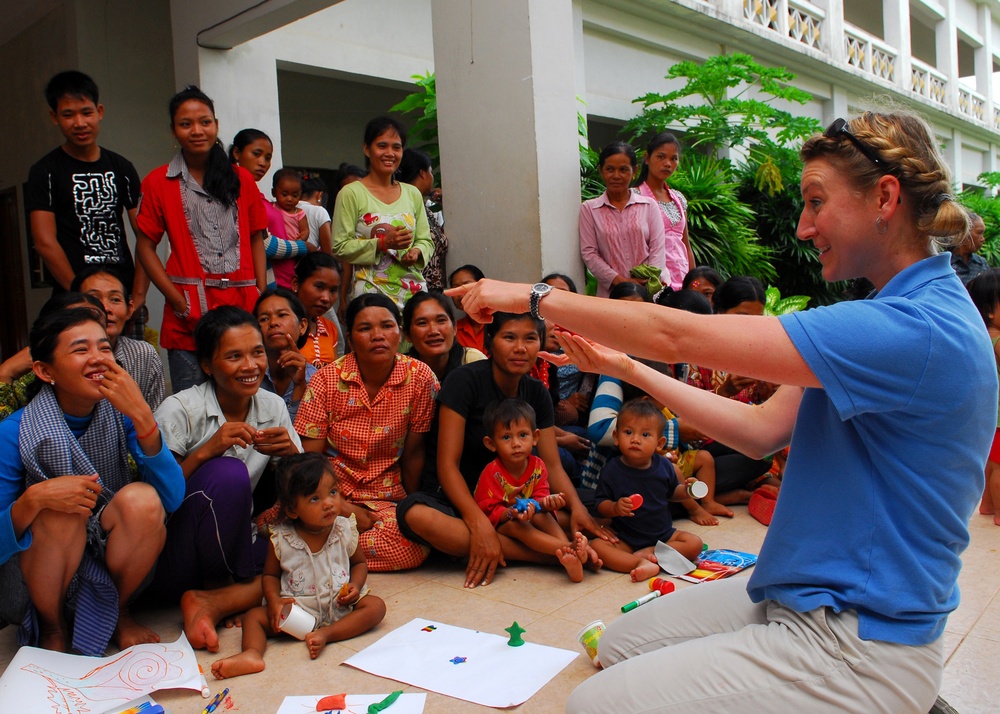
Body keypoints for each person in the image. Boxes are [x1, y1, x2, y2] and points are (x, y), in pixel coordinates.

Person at [452, 110, 996, 713]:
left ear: (885, 198)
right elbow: (760, 432)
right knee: (619, 644)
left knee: (592, 706)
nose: (805, 227)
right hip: (792, 591)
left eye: (816, 203)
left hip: (854, 639)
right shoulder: (900, 312)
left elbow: (677, 335)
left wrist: (532, 295)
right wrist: (628, 370)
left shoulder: (908, 328)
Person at [0, 307, 183, 654]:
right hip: (33, 581)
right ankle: (52, 628)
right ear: (44, 370)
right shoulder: (14, 432)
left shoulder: (123, 414)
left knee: (143, 500)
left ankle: (118, 611)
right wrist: (34, 500)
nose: (98, 359)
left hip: (109, 558)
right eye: (81, 350)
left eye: (104, 348)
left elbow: (171, 498)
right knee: (60, 510)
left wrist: (143, 416)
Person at [396, 312, 613, 589]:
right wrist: (479, 524)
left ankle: (557, 544)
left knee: (602, 508)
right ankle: (551, 555)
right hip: (462, 496)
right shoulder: (464, 381)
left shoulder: (536, 392)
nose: (520, 348)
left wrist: (578, 508)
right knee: (415, 515)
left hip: (522, 498)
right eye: (509, 337)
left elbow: (553, 465)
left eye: (530, 339)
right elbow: (447, 465)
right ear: (490, 342)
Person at [152, 306, 301, 600]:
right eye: (235, 356)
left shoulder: (272, 406)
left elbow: (300, 483)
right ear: (207, 365)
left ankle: (225, 592)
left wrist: (293, 455)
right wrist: (208, 451)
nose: (251, 366)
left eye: (257, 353)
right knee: (228, 472)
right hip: (178, 550)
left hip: (236, 541)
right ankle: (224, 588)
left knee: (303, 555)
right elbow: (157, 499)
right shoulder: (179, 410)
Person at [135, 87, 267, 393]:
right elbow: (145, 247)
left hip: (242, 306)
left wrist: (260, 290)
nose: (197, 130)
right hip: (188, 315)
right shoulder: (157, 182)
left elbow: (256, 237)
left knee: (246, 399)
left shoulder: (242, 179)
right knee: (192, 408)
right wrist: (177, 300)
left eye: (205, 122)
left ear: (216, 125)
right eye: (186, 124)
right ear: (173, 130)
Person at [295, 293, 437, 571]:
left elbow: (414, 452)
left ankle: (313, 554)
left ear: (400, 333)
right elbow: (309, 461)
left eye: (387, 326)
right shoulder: (326, 379)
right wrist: (342, 507)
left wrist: (412, 504)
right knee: (292, 518)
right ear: (350, 338)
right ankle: (320, 547)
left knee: (411, 544)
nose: (377, 335)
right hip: (327, 494)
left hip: (384, 498)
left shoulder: (421, 377)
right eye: (365, 328)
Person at [210, 453, 385, 678]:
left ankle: (328, 634)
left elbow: (359, 563)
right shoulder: (282, 539)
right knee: (254, 617)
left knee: (376, 606)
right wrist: (274, 602)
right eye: (315, 498)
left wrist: (355, 584)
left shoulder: (344, 529)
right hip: (297, 614)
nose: (329, 503)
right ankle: (252, 654)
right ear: (292, 509)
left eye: (333, 492)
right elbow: (270, 577)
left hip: (340, 606)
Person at [25, 71, 149, 323]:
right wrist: (80, 296)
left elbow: (146, 235)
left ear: (99, 111)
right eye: (68, 115)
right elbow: (44, 242)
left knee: (132, 360)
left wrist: (138, 293)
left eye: (86, 112)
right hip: (72, 298)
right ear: (54, 117)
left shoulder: (122, 168)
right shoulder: (45, 172)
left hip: (121, 294)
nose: (79, 123)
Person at [472, 399, 595, 582]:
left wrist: (546, 503)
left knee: (543, 515)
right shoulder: (492, 472)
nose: (516, 443)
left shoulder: (538, 466)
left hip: (531, 514)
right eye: (506, 437)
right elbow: (486, 509)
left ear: (535, 437)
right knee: (519, 526)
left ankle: (569, 556)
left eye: (523, 435)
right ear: (491, 443)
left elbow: (540, 497)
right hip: (504, 523)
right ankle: (567, 548)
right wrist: (511, 512)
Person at [591, 399, 704, 581]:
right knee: (597, 546)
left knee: (695, 543)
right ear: (616, 437)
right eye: (628, 432)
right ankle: (639, 563)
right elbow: (600, 504)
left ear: (659, 443)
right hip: (627, 537)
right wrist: (615, 508)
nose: (635, 439)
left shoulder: (664, 466)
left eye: (645, 435)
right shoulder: (612, 469)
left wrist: (688, 491)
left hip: (663, 535)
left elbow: (673, 493)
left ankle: (650, 554)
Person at [332, 117, 433, 312]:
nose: (390, 153)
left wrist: (417, 252)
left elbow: (426, 240)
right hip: (371, 297)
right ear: (367, 149)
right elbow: (339, 247)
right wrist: (383, 244)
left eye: (396, 147)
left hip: (413, 296)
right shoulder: (351, 193)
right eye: (382, 146)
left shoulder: (412, 193)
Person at [70, 266, 165, 410]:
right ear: (72, 308)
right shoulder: (60, 353)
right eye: (94, 299)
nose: (106, 308)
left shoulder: (144, 355)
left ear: (130, 310)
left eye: (115, 299)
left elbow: (154, 419)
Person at [579, 142, 666, 298]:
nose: (616, 176)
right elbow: (589, 253)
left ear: (634, 171)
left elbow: (658, 248)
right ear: (601, 171)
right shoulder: (589, 209)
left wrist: (648, 281)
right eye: (610, 169)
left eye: (623, 169)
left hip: (648, 294)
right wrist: (621, 282)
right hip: (610, 295)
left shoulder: (649, 206)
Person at [229, 129, 313, 290]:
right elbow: (264, 244)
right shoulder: (235, 191)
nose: (263, 163)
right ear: (237, 153)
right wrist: (304, 247)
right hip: (251, 282)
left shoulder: (257, 195)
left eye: (267, 158)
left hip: (275, 280)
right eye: (256, 154)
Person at [635, 132, 696, 289]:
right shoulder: (635, 196)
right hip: (654, 282)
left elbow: (686, 245)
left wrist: (694, 283)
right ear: (647, 158)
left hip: (683, 282)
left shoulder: (679, 198)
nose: (668, 163)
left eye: (673, 158)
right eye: (661, 157)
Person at [253, 288, 316, 420]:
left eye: (282, 315)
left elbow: (306, 435)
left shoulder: (316, 380)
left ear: (302, 326)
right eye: (264, 319)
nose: (273, 323)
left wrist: (300, 386)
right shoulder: (249, 373)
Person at [968, 268, 1000, 526]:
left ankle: (988, 503)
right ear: (990, 310)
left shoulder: (982, 336)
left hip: (990, 413)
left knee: (993, 462)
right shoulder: (998, 339)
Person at [403, 291, 486, 382]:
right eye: (422, 323)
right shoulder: (400, 371)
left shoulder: (473, 361)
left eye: (441, 320)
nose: (433, 331)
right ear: (407, 334)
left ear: (454, 328)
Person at [397, 148, 449, 291]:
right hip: (414, 289)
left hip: (432, 289)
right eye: (431, 172)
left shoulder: (424, 207)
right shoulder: (405, 206)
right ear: (422, 173)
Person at [292, 252, 341, 368]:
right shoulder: (284, 325)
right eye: (319, 287)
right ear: (296, 284)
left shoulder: (330, 328)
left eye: (333, 290)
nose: (326, 298)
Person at [269, 169, 310, 289]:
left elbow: (305, 230)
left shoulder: (299, 213)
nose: (289, 199)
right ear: (274, 192)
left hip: (295, 249)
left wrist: (302, 237)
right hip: (278, 247)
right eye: (284, 194)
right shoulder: (272, 208)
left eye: (295, 195)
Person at [449, 264, 488, 353]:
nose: (460, 293)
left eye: (466, 286)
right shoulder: (453, 331)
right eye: (455, 288)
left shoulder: (503, 322)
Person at [950, 211, 990, 285]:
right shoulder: (945, 263)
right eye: (979, 233)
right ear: (963, 233)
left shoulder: (981, 264)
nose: (983, 239)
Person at [299, 175, 333, 254]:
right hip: (309, 262)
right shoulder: (319, 211)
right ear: (319, 195)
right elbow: (328, 253)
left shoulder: (289, 208)